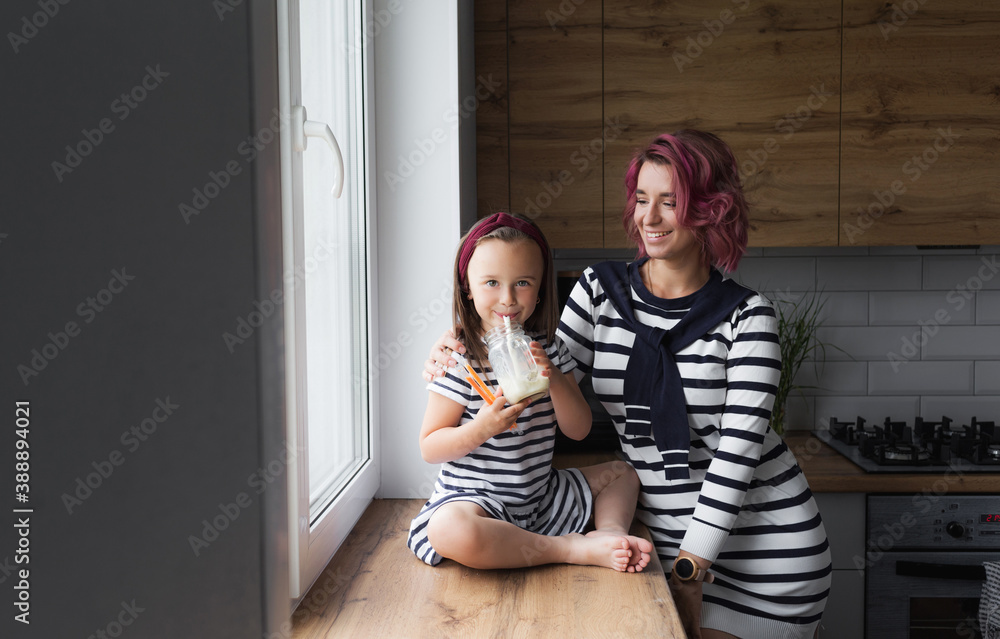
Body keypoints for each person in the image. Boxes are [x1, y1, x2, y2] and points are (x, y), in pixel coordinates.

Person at [424, 132, 832, 638]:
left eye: (670, 202)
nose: (649, 218)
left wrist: (690, 567)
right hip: (656, 542)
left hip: (765, 559)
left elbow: (738, 457)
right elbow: (541, 376)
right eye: (642, 199)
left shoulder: (748, 318)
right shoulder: (599, 292)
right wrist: (464, 344)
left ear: (712, 210)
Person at [407, 211, 653, 573]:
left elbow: (578, 429)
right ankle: (565, 549)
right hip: (477, 502)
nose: (507, 299)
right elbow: (430, 445)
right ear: (467, 287)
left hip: (540, 497)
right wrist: (482, 428)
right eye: (491, 282)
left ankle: (608, 533)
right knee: (448, 530)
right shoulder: (460, 359)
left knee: (624, 474)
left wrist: (552, 376)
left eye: (522, 283)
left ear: (540, 291)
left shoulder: (549, 349)